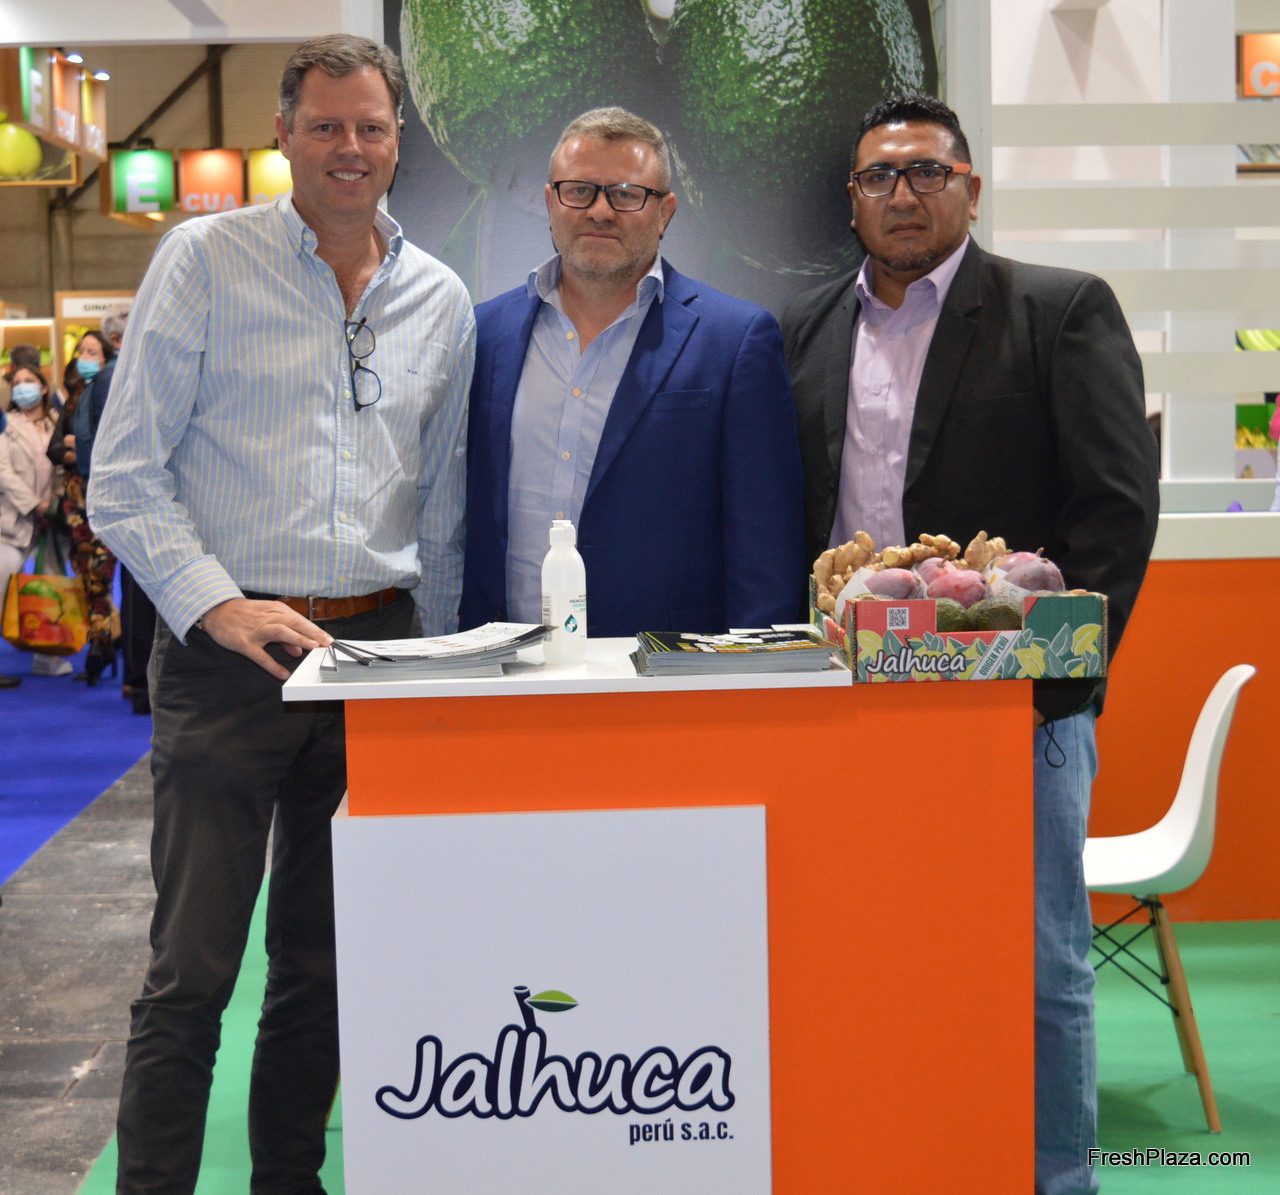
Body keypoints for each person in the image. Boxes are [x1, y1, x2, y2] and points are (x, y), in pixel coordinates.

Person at [87, 33, 473, 1194]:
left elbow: (440, 502)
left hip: (375, 654)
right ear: (282, 135)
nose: (349, 147)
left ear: (398, 141)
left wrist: (432, 669)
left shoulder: (439, 296)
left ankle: (287, 1180)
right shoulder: (205, 261)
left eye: (370, 127)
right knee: (192, 970)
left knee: (325, 964)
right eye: (325, 126)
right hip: (228, 662)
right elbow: (123, 478)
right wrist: (218, 607)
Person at [782, 95, 1160, 1195]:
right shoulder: (806, 326)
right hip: (849, 707)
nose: (901, 194)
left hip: (1013, 711)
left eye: (926, 173)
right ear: (851, 198)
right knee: (866, 954)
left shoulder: (1057, 310)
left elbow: (1113, 511)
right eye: (878, 176)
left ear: (971, 188)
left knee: (1038, 965)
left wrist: (1052, 682)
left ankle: (1055, 1176)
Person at [460, 107, 805, 636]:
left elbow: (767, 545)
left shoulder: (736, 341)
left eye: (626, 194)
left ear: (665, 212)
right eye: (579, 191)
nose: (600, 211)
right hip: (506, 661)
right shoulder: (484, 332)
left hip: (662, 669)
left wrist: (755, 670)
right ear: (550, 202)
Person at [48, 330, 119, 684]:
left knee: (100, 571)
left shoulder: (113, 392)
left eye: (93, 351)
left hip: (106, 496)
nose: (85, 358)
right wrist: (73, 447)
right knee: (83, 570)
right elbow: (54, 449)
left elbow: (108, 444)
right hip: (76, 500)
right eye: (82, 351)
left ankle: (102, 643)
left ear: (107, 357)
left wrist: (77, 447)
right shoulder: (75, 396)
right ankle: (102, 642)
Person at [0, 365, 68, 679]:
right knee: (3, 583)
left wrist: (55, 504)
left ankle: (48, 657)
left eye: (29, 381)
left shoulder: (58, 421)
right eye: (17, 383)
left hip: (53, 521)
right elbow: (3, 472)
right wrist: (34, 504)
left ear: (43, 388)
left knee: (51, 589)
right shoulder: (6, 423)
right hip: (13, 520)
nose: (22, 387)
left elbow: (64, 466)